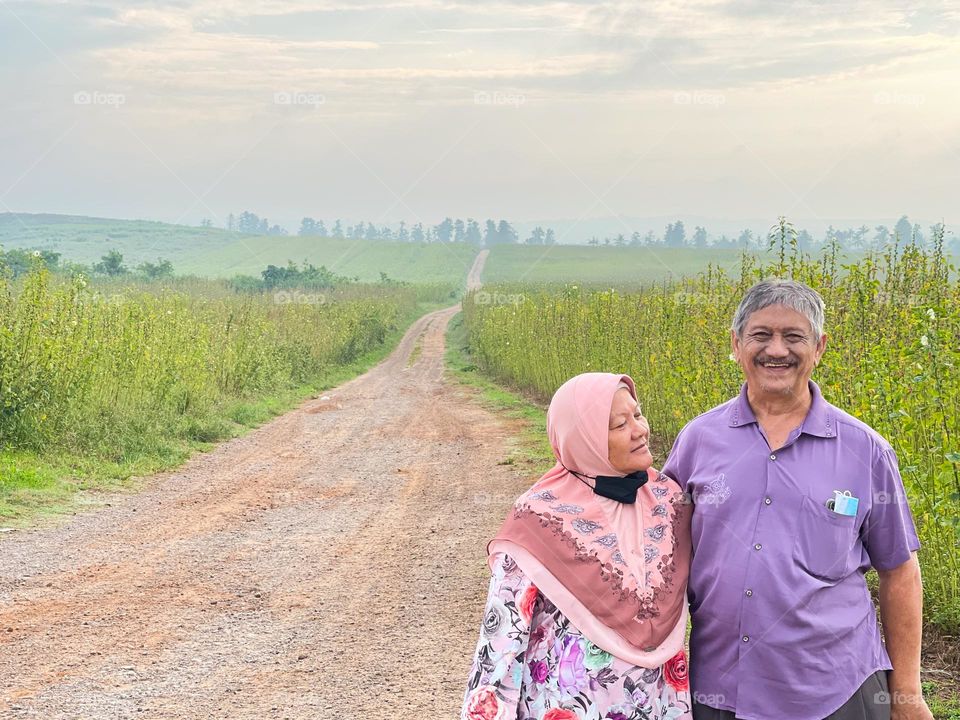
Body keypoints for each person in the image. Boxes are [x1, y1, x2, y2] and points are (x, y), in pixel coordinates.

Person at [661, 279, 931, 720]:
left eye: (794, 336)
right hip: (721, 690)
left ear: (820, 347)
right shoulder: (699, 440)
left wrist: (908, 692)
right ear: (736, 344)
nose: (777, 350)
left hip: (837, 692)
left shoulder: (865, 450)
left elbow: (899, 571)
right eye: (761, 335)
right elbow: (660, 551)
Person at [460, 372, 693, 720]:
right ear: (584, 438)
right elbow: (502, 640)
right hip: (569, 704)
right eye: (619, 424)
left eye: (638, 415)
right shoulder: (539, 518)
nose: (640, 430)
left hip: (657, 704)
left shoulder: (670, 502)